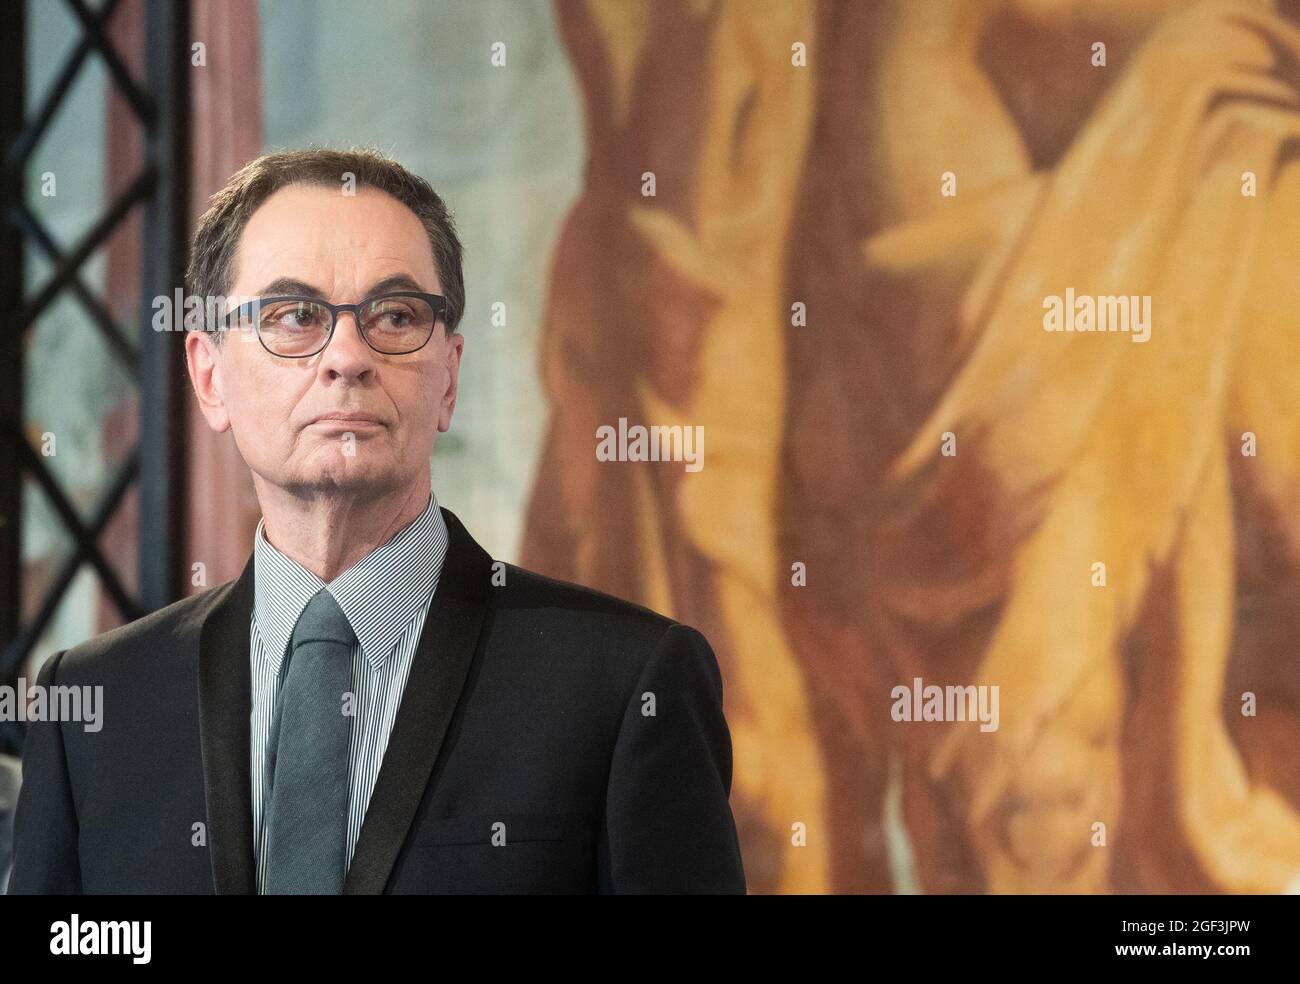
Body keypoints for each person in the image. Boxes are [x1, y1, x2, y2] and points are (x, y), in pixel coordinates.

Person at [6, 148, 746, 894]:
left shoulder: (625, 684)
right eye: (295, 316)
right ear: (210, 376)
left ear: (449, 377)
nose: (347, 357)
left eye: (394, 316)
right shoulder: (97, 706)